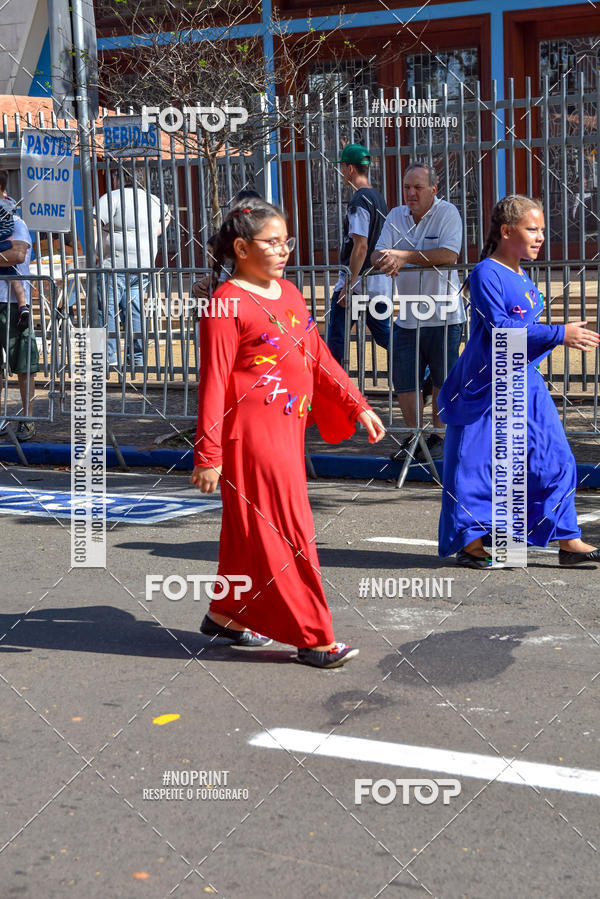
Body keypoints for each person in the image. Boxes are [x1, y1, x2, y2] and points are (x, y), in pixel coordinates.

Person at [190, 197, 386, 667]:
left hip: (287, 430)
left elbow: (316, 355)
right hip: (249, 438)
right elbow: (214, 383)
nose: (283, 251)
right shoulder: (226, 302)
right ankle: (313, 636)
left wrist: (355, 403)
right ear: (240, 247)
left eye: (286, 241)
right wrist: (207, 454)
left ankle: (228, 613)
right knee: (286, 529)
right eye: (271, 242)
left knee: (247, 529)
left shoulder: (291, 293)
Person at [437, 194, 600, 568]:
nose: (540, 236)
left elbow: (525, 333)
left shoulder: (522, 275)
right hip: (485, 386)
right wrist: (559, 334)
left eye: (542, 229)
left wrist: (554, 338)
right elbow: (501, 332)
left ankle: (566, 538)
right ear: (507, 231)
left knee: (554, 457)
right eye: (532, 229)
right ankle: (472, 542)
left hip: (523, 382)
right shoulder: (484, 274)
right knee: (474, 466)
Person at [371, 162, 464, 462]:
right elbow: (377, 252)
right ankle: (415, 436)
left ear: (433, 190)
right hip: (408, 313)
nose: (411, 193)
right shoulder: (396, 215)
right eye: (407, 187)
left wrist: (402, 256)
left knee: (442, 379)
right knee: (404, 378)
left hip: (445, 313)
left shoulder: (447, 213)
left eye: (417, 188)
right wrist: (384, 260)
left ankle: (440, 436)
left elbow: (449, 255)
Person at [94, 168, 171, 366]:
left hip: (115, 265)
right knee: (135, 311)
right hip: (144, 265)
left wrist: (98, 252)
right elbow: (168, 216)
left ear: (117, 178)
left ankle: (109, 358)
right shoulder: (152, 199)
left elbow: (95, 222)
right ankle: (137, 358)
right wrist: (155, 232)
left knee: (106, 310)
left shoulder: (112, 197)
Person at [327, 144, 390, 367]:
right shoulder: (377, 197)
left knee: (336, 340)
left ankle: (335, 390)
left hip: (359, 282)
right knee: (385, 335)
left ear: (350, 169)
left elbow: (360, 245)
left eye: (343, 167)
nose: (342, 173)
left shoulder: (359, 201)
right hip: (378, 282)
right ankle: (421, 372)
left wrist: (348, 285)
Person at [0, 174, 38, 442]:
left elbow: (18, 255)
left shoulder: (15, 221)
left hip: (12, 304)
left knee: (23, 363)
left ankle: (28, 418)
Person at [0, 199, 30, 331]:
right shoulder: (11, 223)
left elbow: (18, 255)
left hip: (7, 301)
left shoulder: (18, 224)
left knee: (14, 278)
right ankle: (22, 306)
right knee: (15, 280)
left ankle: (23, 306)